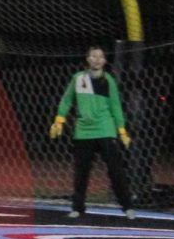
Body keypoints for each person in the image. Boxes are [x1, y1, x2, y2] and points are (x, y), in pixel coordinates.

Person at [49, 45, 135, 220]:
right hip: (83, 132)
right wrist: (59, 120)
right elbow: (66, 100)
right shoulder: (78, 78)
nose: (97, 60)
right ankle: (78, 207)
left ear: (104, 61)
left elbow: (116, 106)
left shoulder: (107, 80)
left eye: (100, 57)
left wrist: (122, 130)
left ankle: (127, 207)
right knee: (81, 172)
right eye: (93, 56)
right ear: (87, 59)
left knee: (115, 170)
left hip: (105, 129)